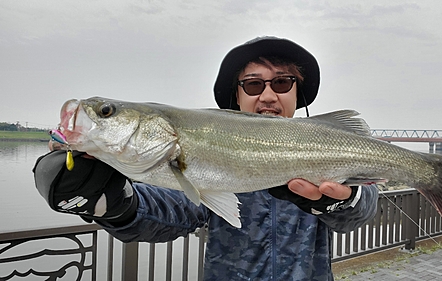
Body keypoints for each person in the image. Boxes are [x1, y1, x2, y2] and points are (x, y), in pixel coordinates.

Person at [33, 36, 379, 280]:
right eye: (254, 85)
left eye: (283, 82)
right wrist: (114, 203)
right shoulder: (202, 157)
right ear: (237, 95)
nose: (269, 95)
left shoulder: (325, 150)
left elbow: (361, 213)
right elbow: (170, 210)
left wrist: (339, 201)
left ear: (296, 93)